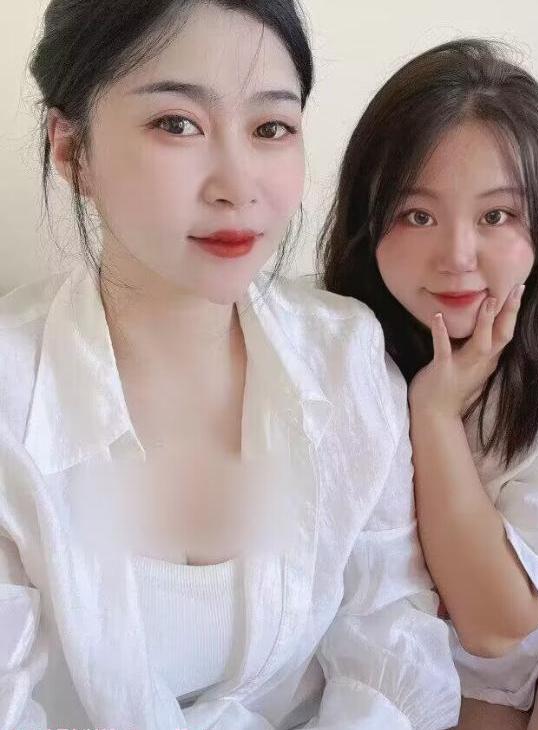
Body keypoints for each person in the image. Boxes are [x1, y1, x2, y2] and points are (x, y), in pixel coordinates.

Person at [0, 4, 460, 729]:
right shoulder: (11, 394)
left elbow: (387, 627)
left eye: (270, 128)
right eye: (176, 123)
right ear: (71, 150)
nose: (237, 186)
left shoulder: (344, 356)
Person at [320, 38, 538, 729]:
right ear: (368, 221)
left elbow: (499, 625)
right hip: (418, 643)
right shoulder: (323, 349)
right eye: (417, 215)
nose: (457, 258)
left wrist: (433, 412)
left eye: (495, 216)